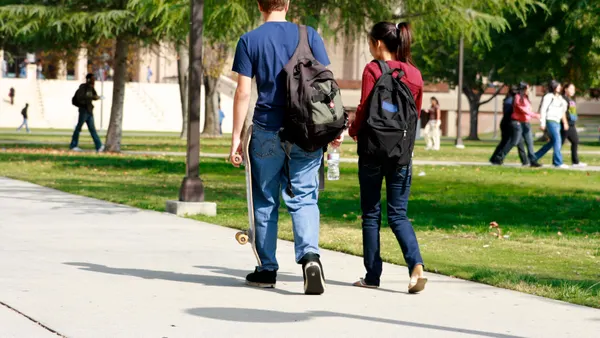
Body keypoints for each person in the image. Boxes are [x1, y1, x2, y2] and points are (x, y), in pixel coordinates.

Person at [229, 0, 337, 295]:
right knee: (304, 195)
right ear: (287, 4)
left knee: (265, 198)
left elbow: (243, 92)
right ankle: (310, 259)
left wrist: (236, 137)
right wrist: (331, 128)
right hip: (305, 129)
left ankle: (266, 269)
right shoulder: (309, 35)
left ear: (260, 5)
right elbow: (324, 85)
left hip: (266, 130)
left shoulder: (249, 40)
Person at [348, 21, 426, 293]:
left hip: (372, 151)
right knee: (398, 215)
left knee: (371, 214)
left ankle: (372, 276)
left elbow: (364, 107)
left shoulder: (373, 69)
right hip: (401, 154)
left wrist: (352, 129)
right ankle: (415, 264)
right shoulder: (415, 74)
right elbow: (415, 115)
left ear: (378, 44)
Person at [500, 82, 542, 167]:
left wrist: (532, 115)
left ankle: (533, 161)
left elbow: (528, 109)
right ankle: (499, 157)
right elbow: (523, 109)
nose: (529, 90)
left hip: (526, 123)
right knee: (514, 141)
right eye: (528, 89)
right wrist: (535, 115)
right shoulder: (517, 97)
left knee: (530, 142)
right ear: (523, 89)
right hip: (517, 123)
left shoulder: (526, 98)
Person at [534, 80, 570, 168]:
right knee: (558, 140)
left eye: (560, 86)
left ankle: (534, 157)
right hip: (550, 120)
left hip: (557, 122)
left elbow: (563, 110)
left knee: (553, 142)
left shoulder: (560, 98)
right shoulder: (548, 96)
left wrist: (565, 122)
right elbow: (543, 109)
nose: (559, 87)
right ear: (553, 87)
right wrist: (542, 123)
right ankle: (558, 162)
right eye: (558, 86)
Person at [490, 86, 528, 165]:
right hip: (509, 124)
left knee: (518, 142)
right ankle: (498, 158)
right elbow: (508, 114)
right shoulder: (510, 101)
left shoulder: (510, 100)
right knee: (512, 141)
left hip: (509, 123)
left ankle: (525, 161)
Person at [70, 73, 104, 152]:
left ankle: (98, 146)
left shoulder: (91, 88)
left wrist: (97, 97)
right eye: (92, 79)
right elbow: (84, 97)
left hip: (89, 111)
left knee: (92, 129)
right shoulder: (84, 87)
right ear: (88, 79)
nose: (94, 81)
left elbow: (93, 96)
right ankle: (73, 145)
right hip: (84, 110)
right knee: (78, 128)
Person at [561, 83, 587, 167]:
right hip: (565, 124)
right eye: (571, 89)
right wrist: (565, 122)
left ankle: (575, 162)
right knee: (559, 143)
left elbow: (572, 112)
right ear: (565, 89)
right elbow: (562, 112)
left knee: (575, 141)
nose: (573, 91)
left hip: (571, 124)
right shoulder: (563, 99)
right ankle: (556, 162)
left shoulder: (570, 100)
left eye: (574, 89)